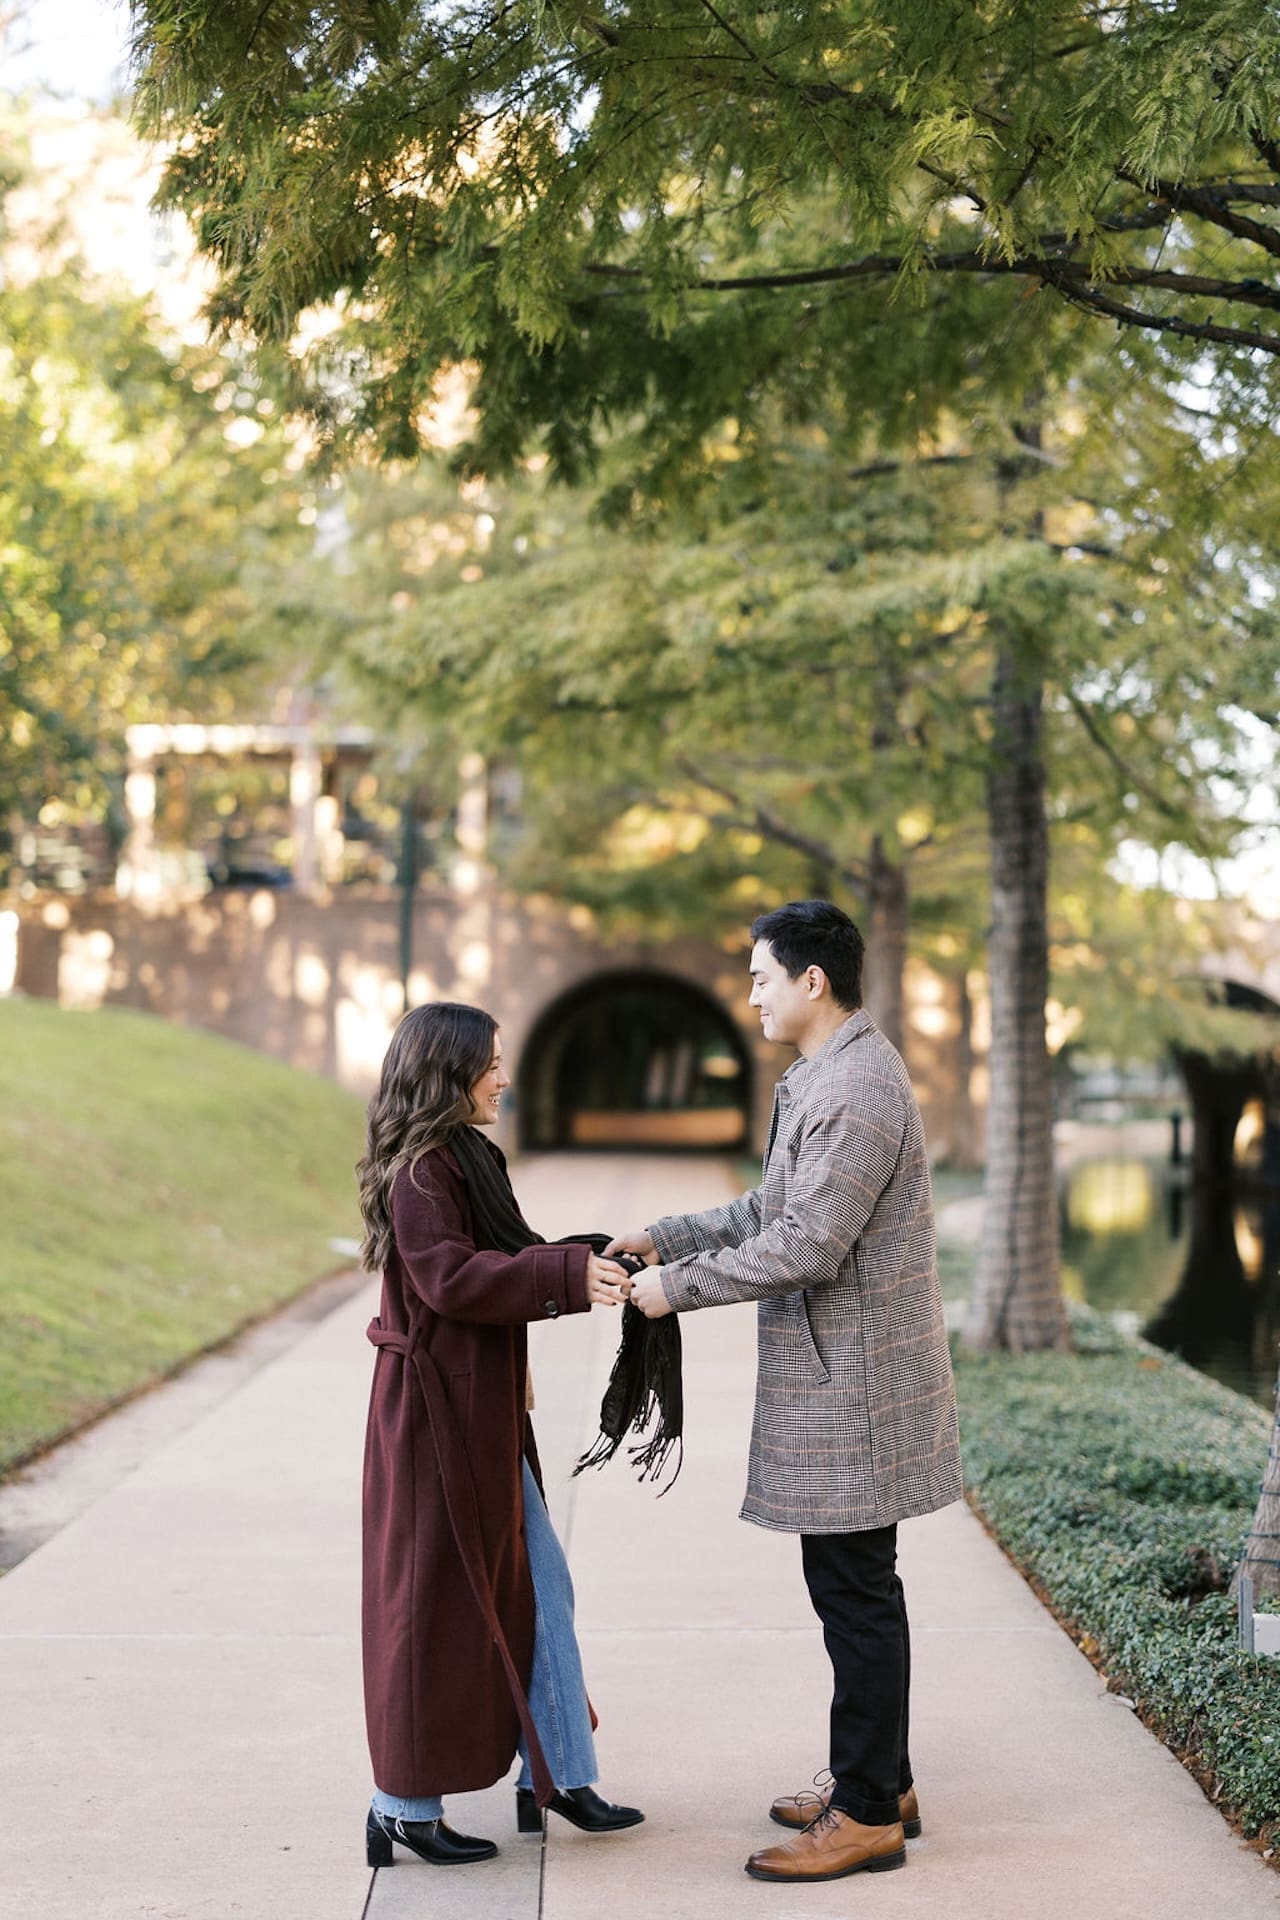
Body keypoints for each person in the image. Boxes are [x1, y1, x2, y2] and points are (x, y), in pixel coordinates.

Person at [611, 900, 962, 1885]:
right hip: (837, 1371)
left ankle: (862, 1815)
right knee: (853, 1586)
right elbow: (774, 1206)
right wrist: (669, 1236)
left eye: (763, 975)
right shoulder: (825, 1074)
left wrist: (670, 1291)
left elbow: (808, 1243)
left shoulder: (854, 1087)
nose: (752, 993)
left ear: (815, 981)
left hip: (854, 1384)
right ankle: (879, 1778)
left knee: (852, 1593)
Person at [357, 1000, 645, 1868]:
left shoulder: (467, 1157)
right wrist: (562, 1274)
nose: (504, 1077)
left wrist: (596, 1256)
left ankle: (558, 1774)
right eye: (490, 1062)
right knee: (429, 1605)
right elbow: (452, 1278)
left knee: (538, 1584)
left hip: (479, 1412)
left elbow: (512, 1250)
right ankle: (399, 1805)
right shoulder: (418, 1171)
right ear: (448, 1073)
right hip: (432, 1424)